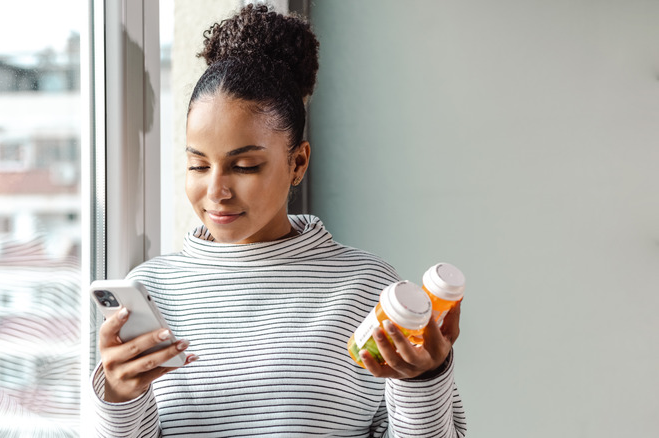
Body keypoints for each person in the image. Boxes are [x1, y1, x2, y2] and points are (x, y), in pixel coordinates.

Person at [90, 4, 466, 437]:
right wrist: (118, 400)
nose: (216, 191)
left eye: (245, 165)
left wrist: (422, 381)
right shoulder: (149, 291)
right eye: (197, 165)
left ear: (298, 162)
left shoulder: (365, 288)